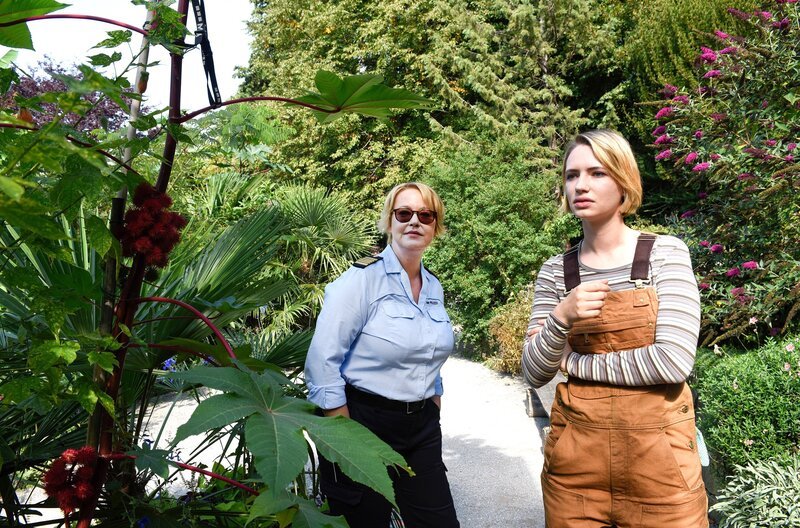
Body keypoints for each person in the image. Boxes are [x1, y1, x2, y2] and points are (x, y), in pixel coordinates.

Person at [522, 129, 708, 527]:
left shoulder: (665, 253)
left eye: (597, 173)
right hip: (575, 475)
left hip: (662, 474)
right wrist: (561, 320)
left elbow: (672, 362)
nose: (581, 185)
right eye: (572, 175)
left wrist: (575, 364)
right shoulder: (556, 272)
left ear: (624, 181)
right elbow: (533, 371)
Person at [304, 182, 460, 528]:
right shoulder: (361, 280)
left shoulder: (434, 287)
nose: (414, 221)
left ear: (436, 226)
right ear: (389, 222)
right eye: (403, 213)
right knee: (365, 522)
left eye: (426, 215)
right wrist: (343, 432)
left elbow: (429, 352)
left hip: (420, 429)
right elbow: (321, 360)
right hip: (363, 422)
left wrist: (433, 400)